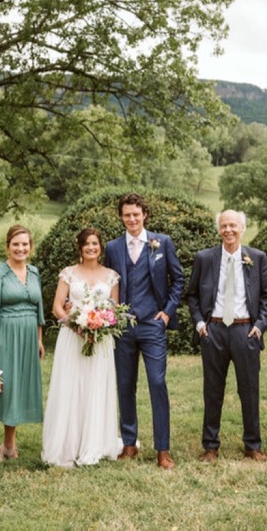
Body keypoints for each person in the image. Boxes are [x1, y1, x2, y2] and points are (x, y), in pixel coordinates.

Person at [105, 192, 184, 470]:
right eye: (126, 215)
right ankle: (129, 442)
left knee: (157, 382)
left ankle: (163, 449)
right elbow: (107, 282)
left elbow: (178, 279)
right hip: (123, 328)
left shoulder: (162, 243)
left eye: (136, 214)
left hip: (153, 324)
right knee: (125, 385)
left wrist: (166, 313)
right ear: (121, 217)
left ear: (145, 215)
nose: (132, 219)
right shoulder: (113, 247)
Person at [186, 210, 267, 462]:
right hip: (213, 330)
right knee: (212, 390)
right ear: (219, 229)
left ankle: (253, 445)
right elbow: (192, 295)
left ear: (242, 228)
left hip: (245, 331)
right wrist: (200, 324)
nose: (228, 230)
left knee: (249, 390)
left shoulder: (256, 257)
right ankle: (210, 446)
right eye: (224, 226)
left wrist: (259, 326)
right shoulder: (205, 258)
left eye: (233, 225)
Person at [41, 228, 123, 467]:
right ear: (79, 248)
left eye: (95, 244)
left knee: (96, 386)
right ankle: (67, 444)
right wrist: (76, 324)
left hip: (101, 339)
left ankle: (94, 442)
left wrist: (101, 324)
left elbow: (114, 309)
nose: (91, 248)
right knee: (71, 386)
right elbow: (57, 306)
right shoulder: (68, 273)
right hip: (72, 336)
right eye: (86, 244)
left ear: (100, 247)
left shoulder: (111, 276)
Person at [0, 225, 45, 463]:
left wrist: (38, 339)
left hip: (27, 338)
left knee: (18, 387)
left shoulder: (35, 272)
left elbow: (39, 311)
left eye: (25, 244)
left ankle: (9, 443)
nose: (20, 248)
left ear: (30, 246)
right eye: (16, 244)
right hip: (4, 335)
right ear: (7, 247)